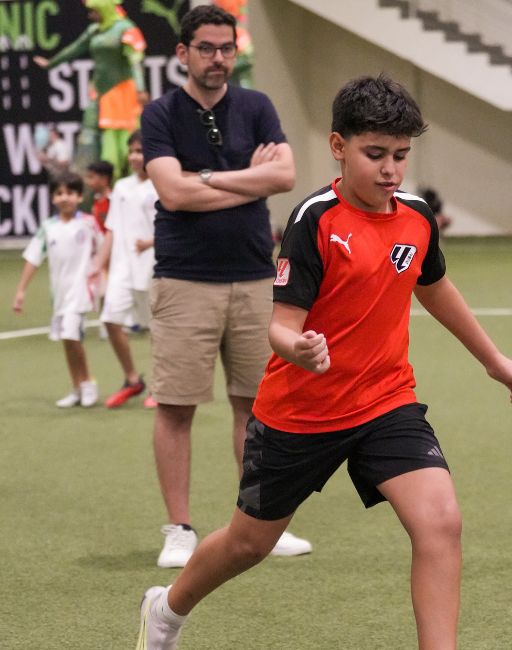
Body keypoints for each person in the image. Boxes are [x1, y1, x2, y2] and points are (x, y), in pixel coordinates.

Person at [135, 74, 512, 650]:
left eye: (401, 156)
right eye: (375, 154)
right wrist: (296, 347)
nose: (390, 170)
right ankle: (167, 610)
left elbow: (434, 285)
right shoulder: (314, 221)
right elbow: (281, 324)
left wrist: (493, 359)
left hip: (385, 401)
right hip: (302, 414)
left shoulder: (417, 217)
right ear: (337, 147)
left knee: (441, 522)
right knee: (250, 544)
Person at [140, 4, 311, 567]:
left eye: (227, 48)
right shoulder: (161, 113)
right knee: (176, 406)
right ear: (183, 53)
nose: (219, 59)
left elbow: (284, 176)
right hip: (184, 279)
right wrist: (246, 182)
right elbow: (172, 195)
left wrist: (204, 178)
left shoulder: (257, 105)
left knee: (257, 406)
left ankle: (259, 523)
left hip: (256, 276)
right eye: (207, 49)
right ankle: (179, 529)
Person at [12, 171, 102, 409]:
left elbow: (103, 250)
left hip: (81, 292)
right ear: (52, 198)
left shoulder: (88, 223)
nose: (65, 198)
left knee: (73, 336)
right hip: (59, 295)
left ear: (80, 196)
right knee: (67, 340)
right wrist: (21, 291)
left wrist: (101, 276)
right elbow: (33, 257)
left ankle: (88, 383)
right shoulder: (48, 227)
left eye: (70, 193)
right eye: (59, 193)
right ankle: (76, 387)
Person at [33, 0, 148, 180]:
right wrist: (51, 63)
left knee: (125, 141)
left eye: (93, 11)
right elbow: (75, 49)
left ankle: (129, 177)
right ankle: (99, 181)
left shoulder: (125, 29)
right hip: (101, 93)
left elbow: (135, 61)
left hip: (123, 93)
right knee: (94, 139)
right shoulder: (94, 30)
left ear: (104, 8)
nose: (90, 15)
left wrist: (141, 89)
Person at [91, 130, 157, 409]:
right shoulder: (121, 187)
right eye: (131, 151)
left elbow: (174, 226)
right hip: (121, 267)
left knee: (158, 329)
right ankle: (132, 379)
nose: (134, 156)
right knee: (110, 318)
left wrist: (150, 242)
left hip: (153, 266)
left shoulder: (161, 185)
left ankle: (160, 386)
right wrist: (97, 264)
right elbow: (112, 229)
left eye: (140, 151)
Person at [85, 160, 114, 234]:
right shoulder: (96, 199)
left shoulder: (113, 201)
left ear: (104, 179)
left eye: (91, 177)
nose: (87, 181)